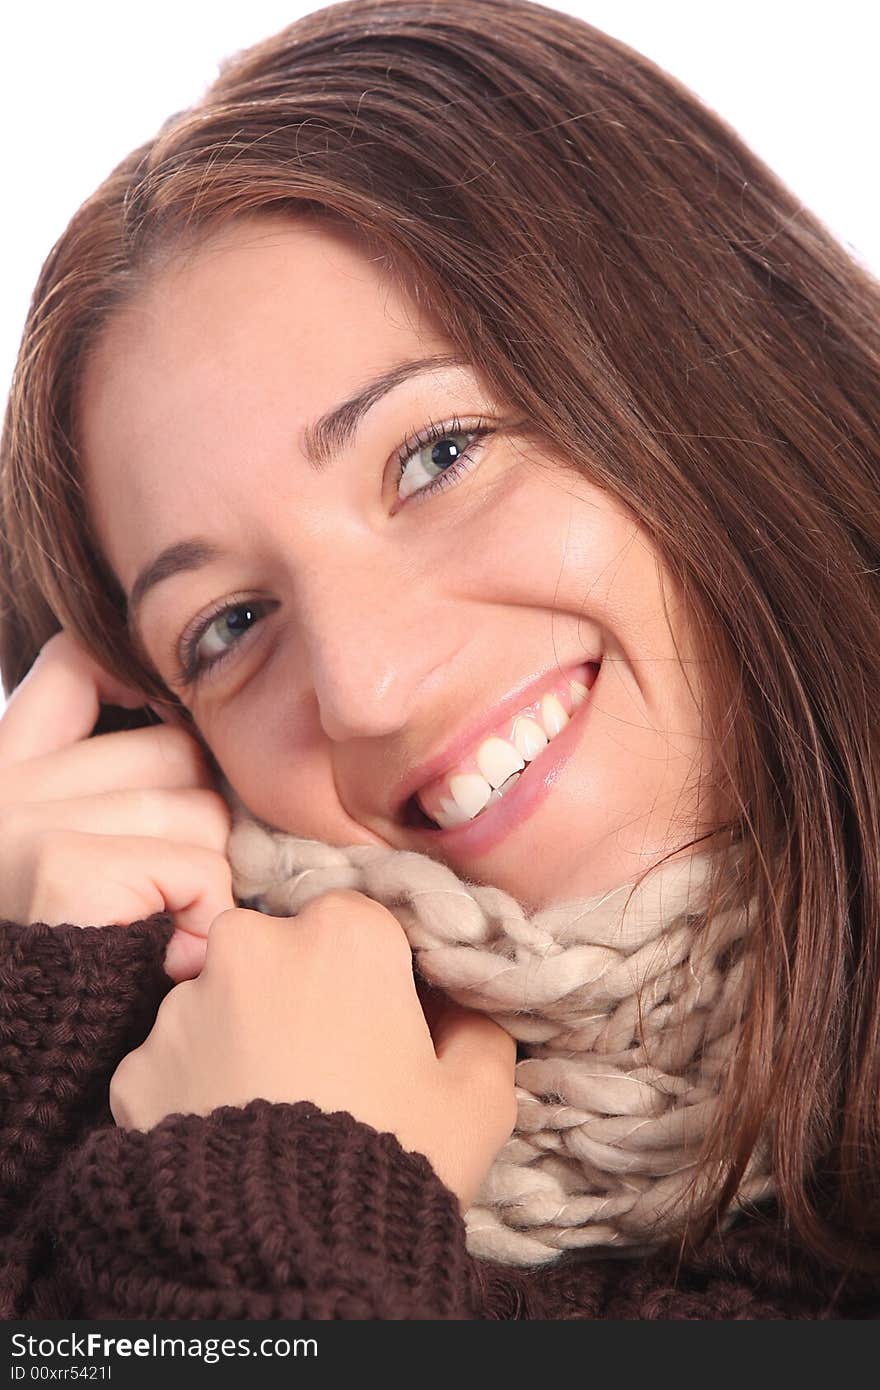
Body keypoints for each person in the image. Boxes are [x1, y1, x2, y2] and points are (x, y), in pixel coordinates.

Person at [1, 0, 878, 1320]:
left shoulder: (241, 1174)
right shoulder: (131, 1136)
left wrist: (262, 1210)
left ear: (719, 374)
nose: (368, 684)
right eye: (232, 626)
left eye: (438, 454)